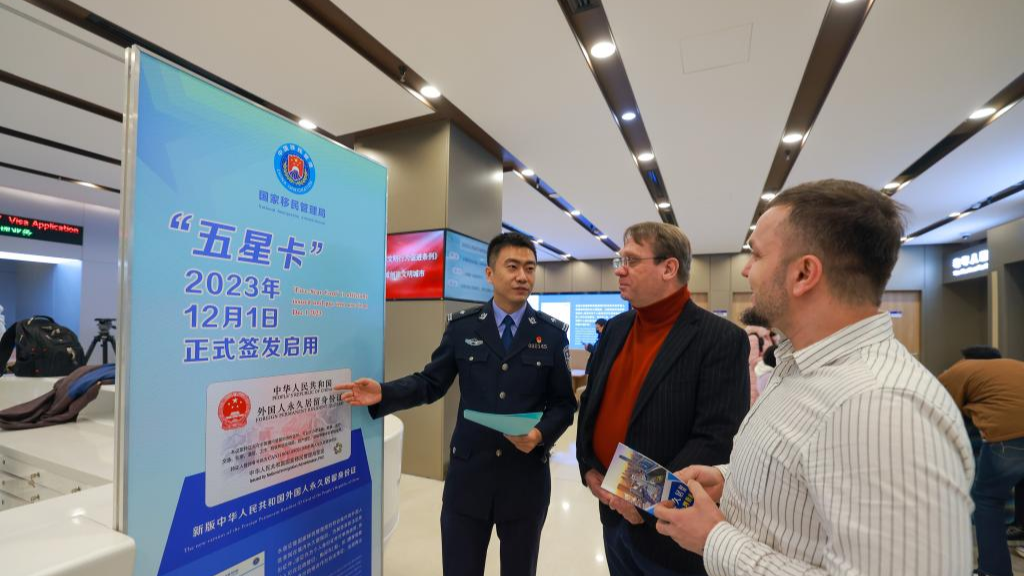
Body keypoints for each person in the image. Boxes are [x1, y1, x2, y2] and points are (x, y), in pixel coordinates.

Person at [652, 179, 975, 575]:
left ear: (804, 273)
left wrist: (714, 539)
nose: (747, 271)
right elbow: (811, 475)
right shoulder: (801, 366)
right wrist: (728, 478)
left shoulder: (882, 406)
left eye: (756, 255)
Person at [337, 232, 576, 576]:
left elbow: (564, 405)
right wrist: (385, 393)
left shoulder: (552, 335)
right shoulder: (463, 329)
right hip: (469, 478)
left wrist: (539, 435)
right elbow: (431, 382)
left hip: (524, 479)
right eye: (512, 266)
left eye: (530, 268)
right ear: (490, 273)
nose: (523, 276)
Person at [576, 222, 749, 576]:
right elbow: (592, 405)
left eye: (631, 260)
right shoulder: (615, 331)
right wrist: (589, 467)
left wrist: (638, 495)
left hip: (668, 535)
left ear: (669, 268)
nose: (620, 270)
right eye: (619, 260)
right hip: (611, 516)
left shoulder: (720, 339)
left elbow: (715, 438)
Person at [938, 346, 1024, 576]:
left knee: (987, 501)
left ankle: (993, 571)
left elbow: (940, 406)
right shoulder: (1015, 365)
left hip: (1009, 438)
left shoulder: (960, 369)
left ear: (965, 358)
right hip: (1016, 434)